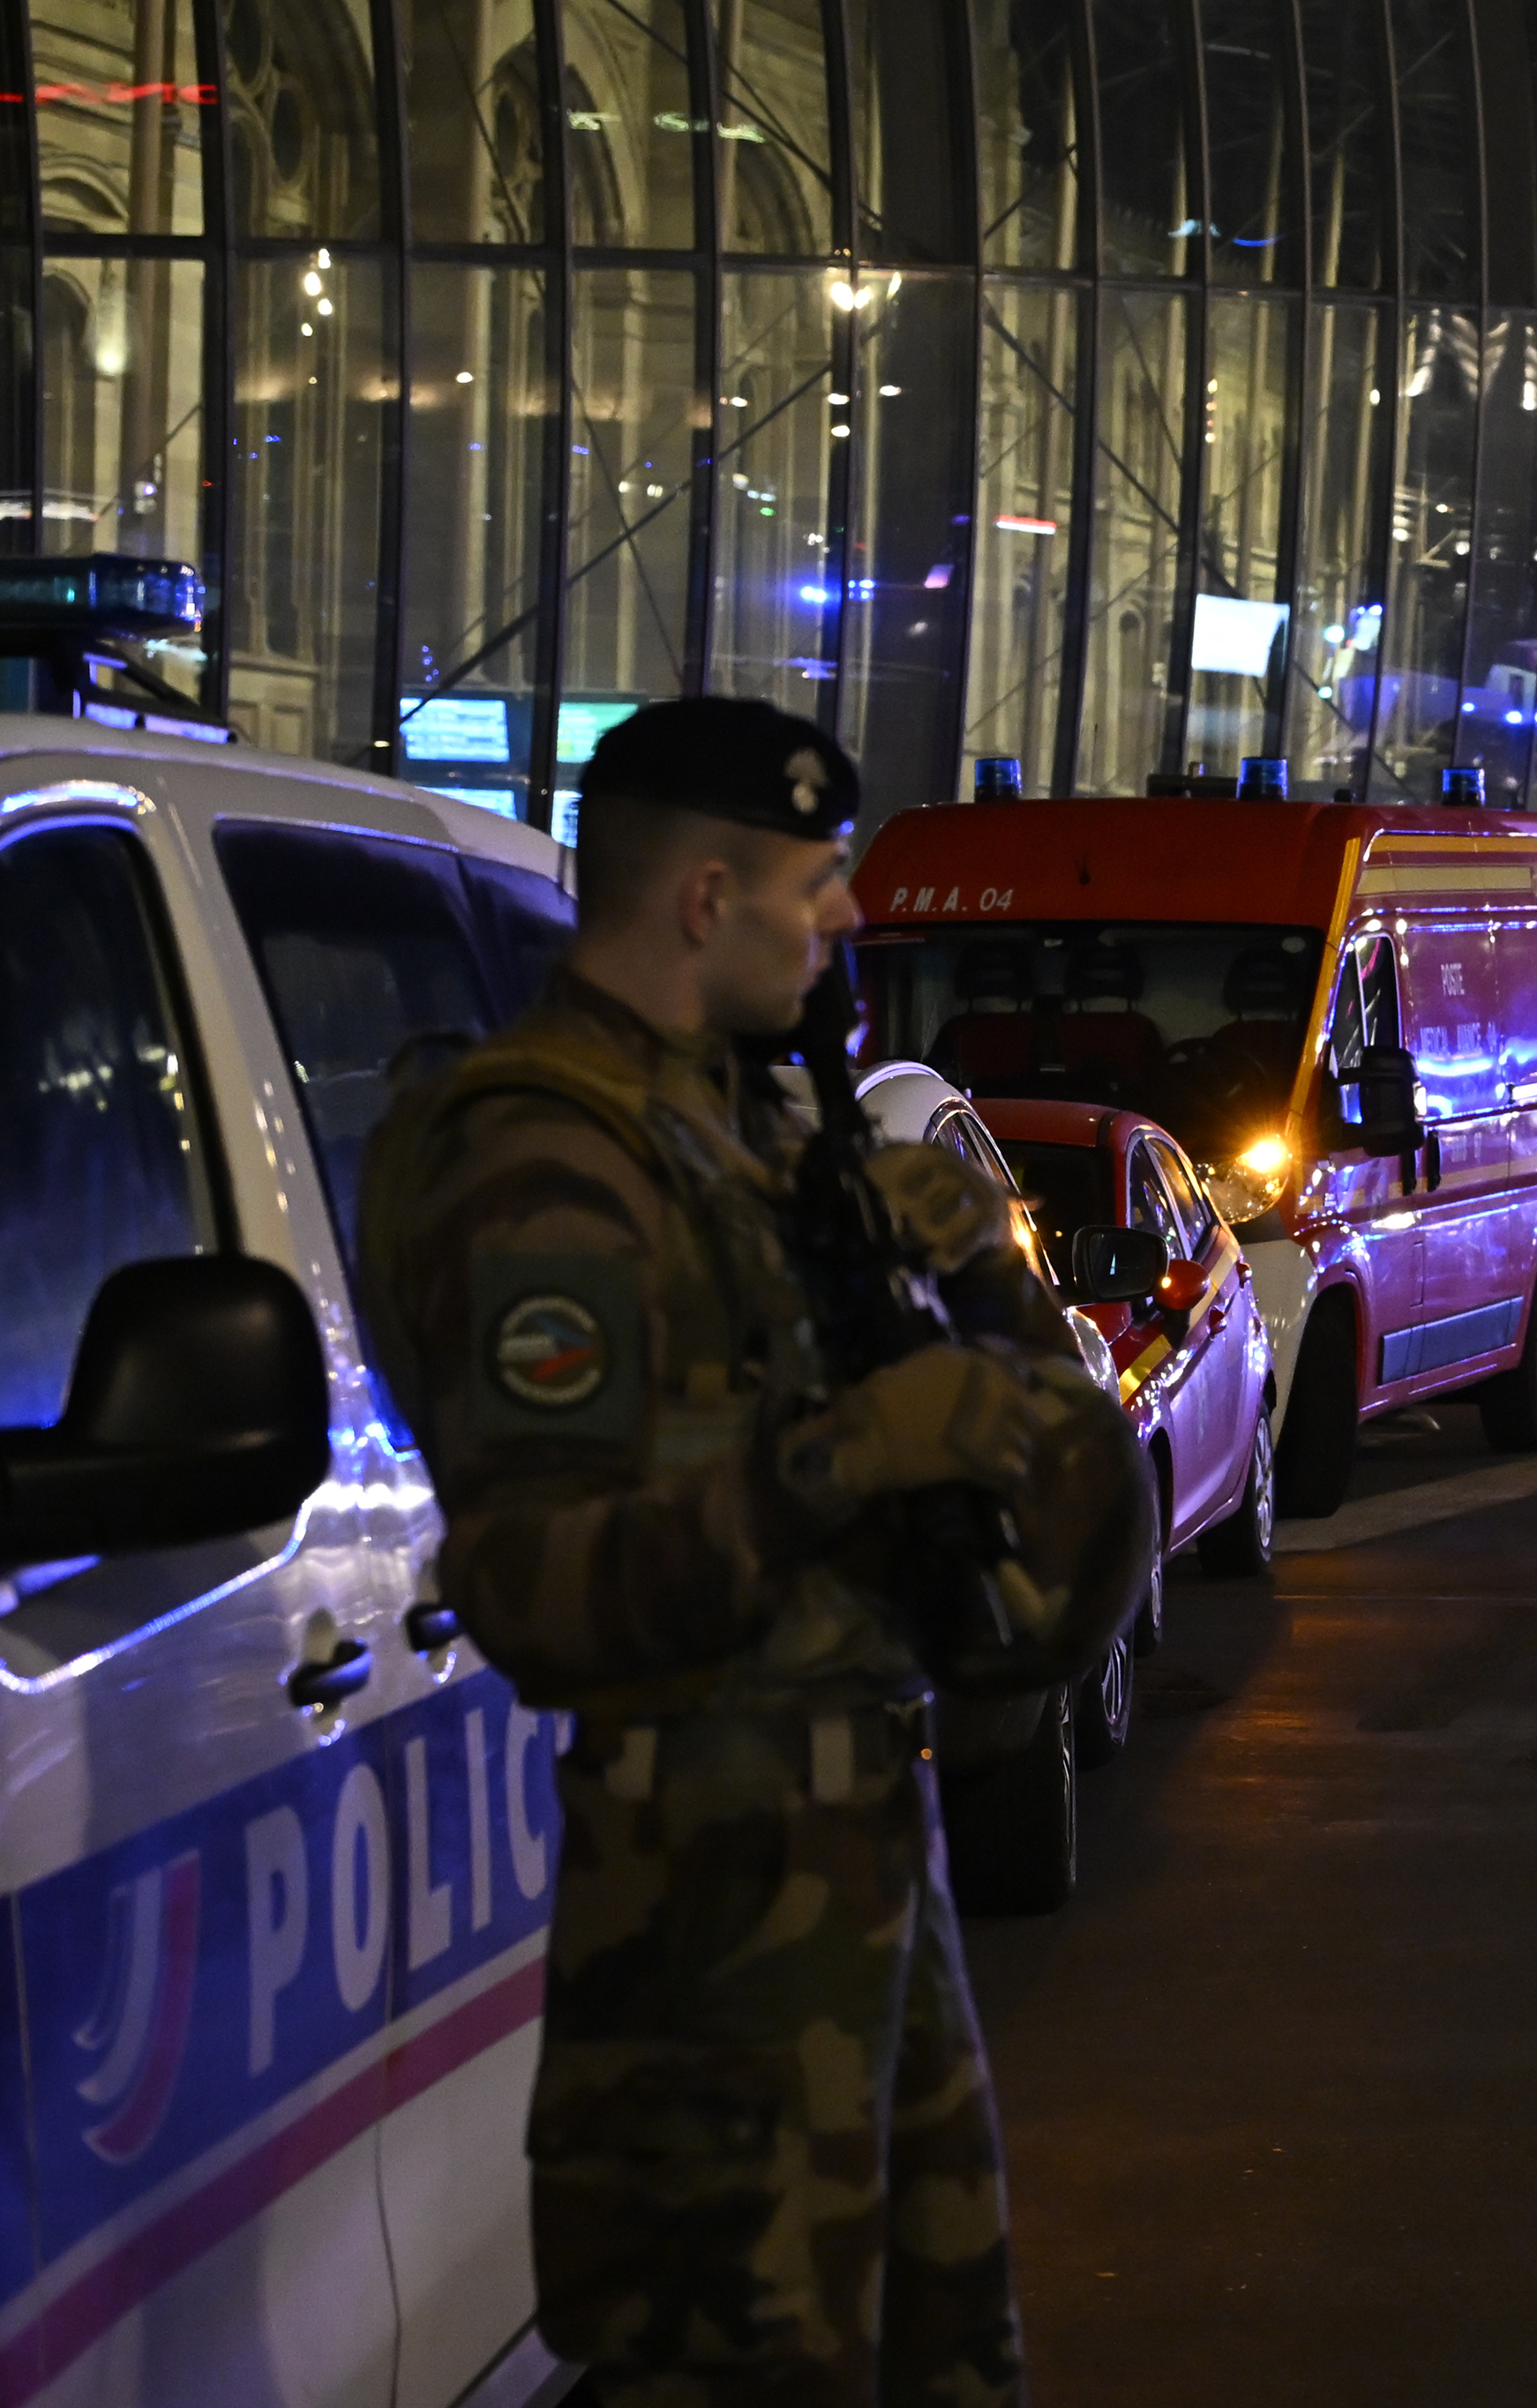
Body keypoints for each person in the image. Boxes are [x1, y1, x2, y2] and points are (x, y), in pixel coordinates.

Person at [356, 699, 1151, 2407]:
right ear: (706, 898)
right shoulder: (546, 1167)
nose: (849, 915)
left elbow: (1063, 1523)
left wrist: (986, 1289)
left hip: (857, 1865)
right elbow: (539, 1594)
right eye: (819, 877)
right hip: (705, 1924)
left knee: (941, 2350)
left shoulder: (755, 1142)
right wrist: (845, 1455)